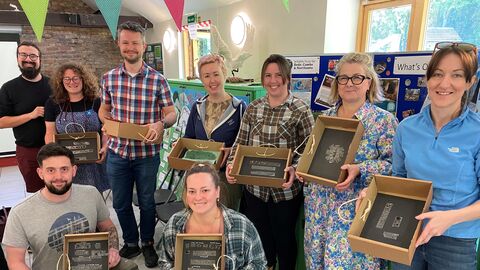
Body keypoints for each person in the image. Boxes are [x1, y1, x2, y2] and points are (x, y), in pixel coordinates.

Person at [300, 52, 397, 269]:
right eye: (343, 78)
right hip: (318, 212)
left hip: (353, 214)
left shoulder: (383, 122)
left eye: (357, 78)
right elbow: (311, 156)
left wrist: (360, 169)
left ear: (369, 82)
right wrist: (299, 168)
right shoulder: (325, 118)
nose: (349, 83)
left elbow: (394, 168)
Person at [390, 42, 480, 269]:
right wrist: (375, 197)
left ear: (470, 81)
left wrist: (449, 218)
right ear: (427, 79)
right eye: (437, 74)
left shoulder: (477, 131)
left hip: (456, 241)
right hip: (406, 230)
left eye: (457, 75)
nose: (444, 83)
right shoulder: (406, 128)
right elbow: (398, 179)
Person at [225, 54, 314, 270]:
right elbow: (240, 141)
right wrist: (231, 164)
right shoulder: (253, 108)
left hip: (284, 192)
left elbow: (310, 151)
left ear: (287, 77)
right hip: (254, 189)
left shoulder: (300, 110)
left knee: (284, 240)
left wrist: (295, 167)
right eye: (268, 75)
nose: (273, 80)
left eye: (278, 75)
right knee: (260, 237)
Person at [99, 21, 177, 268]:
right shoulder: (108, 78)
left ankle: (147, 243)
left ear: (143, 45)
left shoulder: (158, 80)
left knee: (146, 202)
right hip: (118, 153)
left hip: (147, 154)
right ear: (119, 45)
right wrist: (106, 122)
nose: (130, 47)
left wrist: (160, 124)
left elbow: (172, 113)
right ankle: (131, 242)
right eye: (126, 42)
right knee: (120, 203)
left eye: (135, 43)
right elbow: (104, 110)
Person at [1, 143, 137, 270]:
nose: (58, 176)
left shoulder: (91, 194)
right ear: (40, 173)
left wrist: (113, 249)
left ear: (74, 170)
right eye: (50, 170)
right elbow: (15, 262)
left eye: (64, 169)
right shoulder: (20, 212)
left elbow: (108, 227)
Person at [158, 163, 267, 269]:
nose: (198, 197)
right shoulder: (174, 224)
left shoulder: (243, 226)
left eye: (205, 190)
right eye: (192, 191)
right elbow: (165, 262)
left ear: (217, 191)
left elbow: (259, 263)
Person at [183, 53, 246, 210]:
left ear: (224, 74)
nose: (212, 80)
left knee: (223, 223)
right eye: (206, 76)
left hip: (226, 180)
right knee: (199, 222)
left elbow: (246, 146)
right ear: (202, 80)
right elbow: (188, 139)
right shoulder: (197, 108)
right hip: (199, 177)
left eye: (216, 74)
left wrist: (232, 151)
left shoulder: (239, 109)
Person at [44, 63, 109, 193]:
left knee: (93, 196)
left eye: (76, 78)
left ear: (83, 79)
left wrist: (104, 146)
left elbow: (106, 127)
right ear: (61, 82)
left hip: (93, 162)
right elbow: (50, 132)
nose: (71, 82)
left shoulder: (96, 101)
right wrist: (56, 155)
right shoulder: (53, 103)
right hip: (67, 163)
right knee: (70, 198)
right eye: (66, 79)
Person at [0, 41, 51, 193]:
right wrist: (30, 115)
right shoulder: (9, 88)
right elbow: (1, 122)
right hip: (28, 151)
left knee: (59, 188)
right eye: (23, 55)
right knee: (36, 193)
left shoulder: (53, 84)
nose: (28, 59)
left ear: (39, 59)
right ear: (17, 59)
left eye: (33, 56)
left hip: (55, 147)